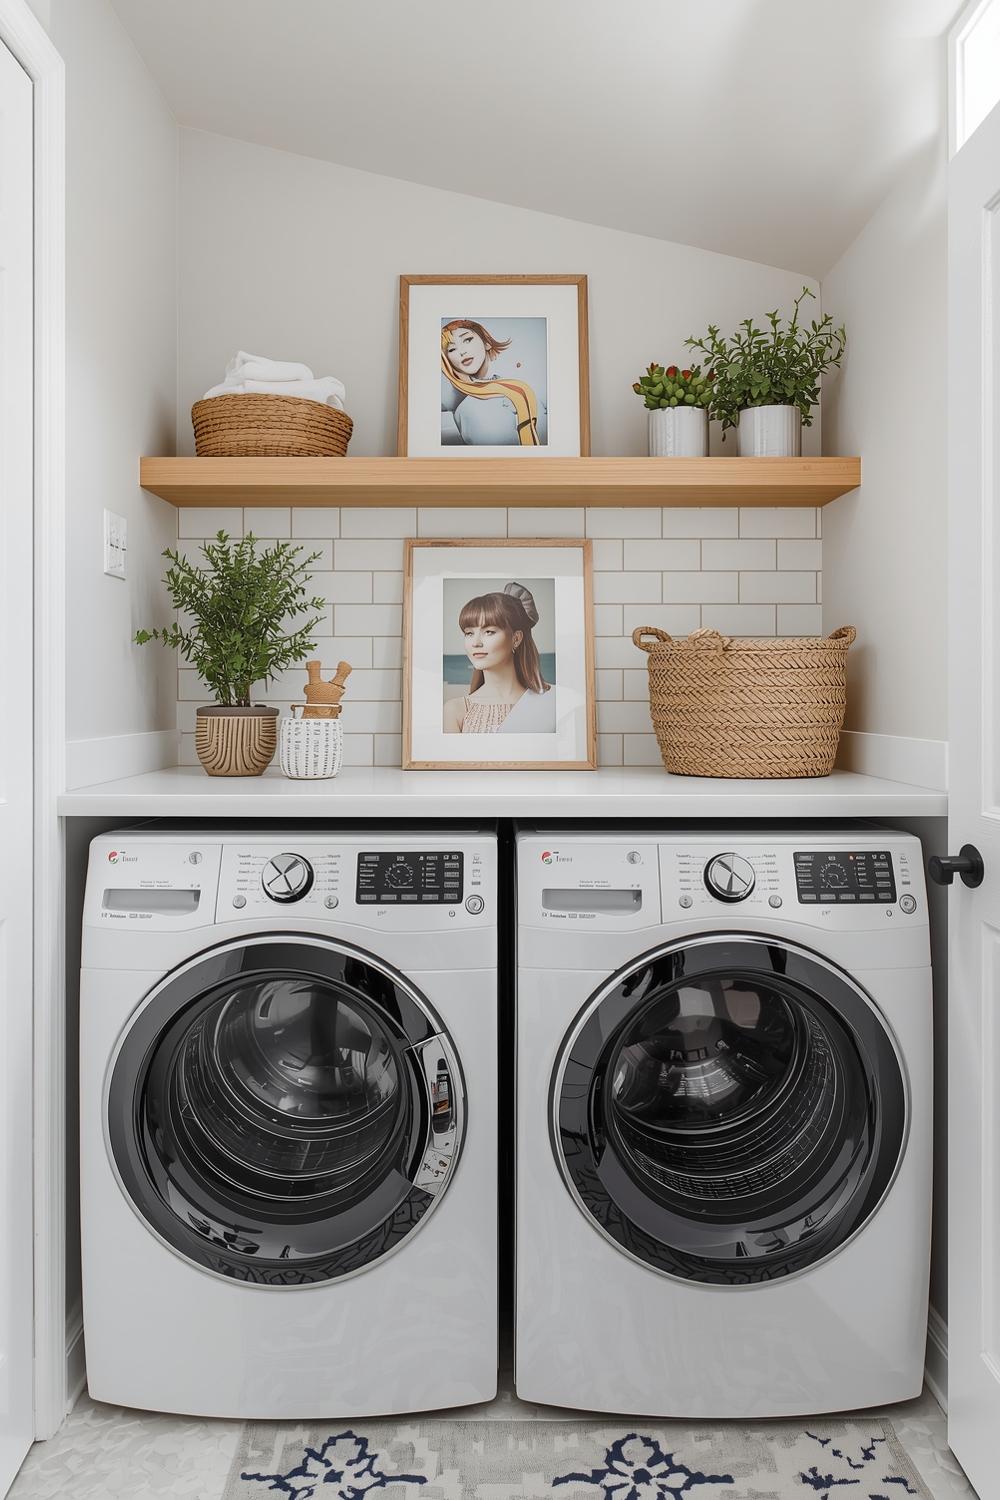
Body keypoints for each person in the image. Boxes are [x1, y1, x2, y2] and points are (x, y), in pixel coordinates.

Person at [443, 583, 556, 734]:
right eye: (469, 633)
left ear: (516, 638)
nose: (476, 643)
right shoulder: (455, 710)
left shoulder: (552, 702)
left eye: (489, 631)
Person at [441, 320, 547, 446]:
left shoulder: (530, 386)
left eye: (467, 340)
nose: (462, 351)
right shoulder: (466, 409)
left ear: (486, 343)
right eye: (452, 349)